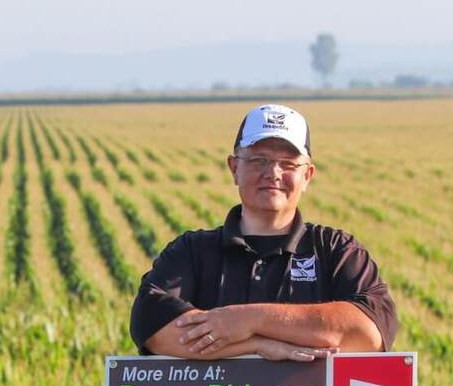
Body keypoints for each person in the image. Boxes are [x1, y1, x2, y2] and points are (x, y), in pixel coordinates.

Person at [129, 103, 397, 361]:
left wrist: (249, 320)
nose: (274, 173)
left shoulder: (337, 250)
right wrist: (258, 345)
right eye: (259, 160)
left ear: (307, 176)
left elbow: (369, 333)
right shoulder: (192, 251)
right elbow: (152, 327)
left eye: (289, 164)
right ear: (234, 168)